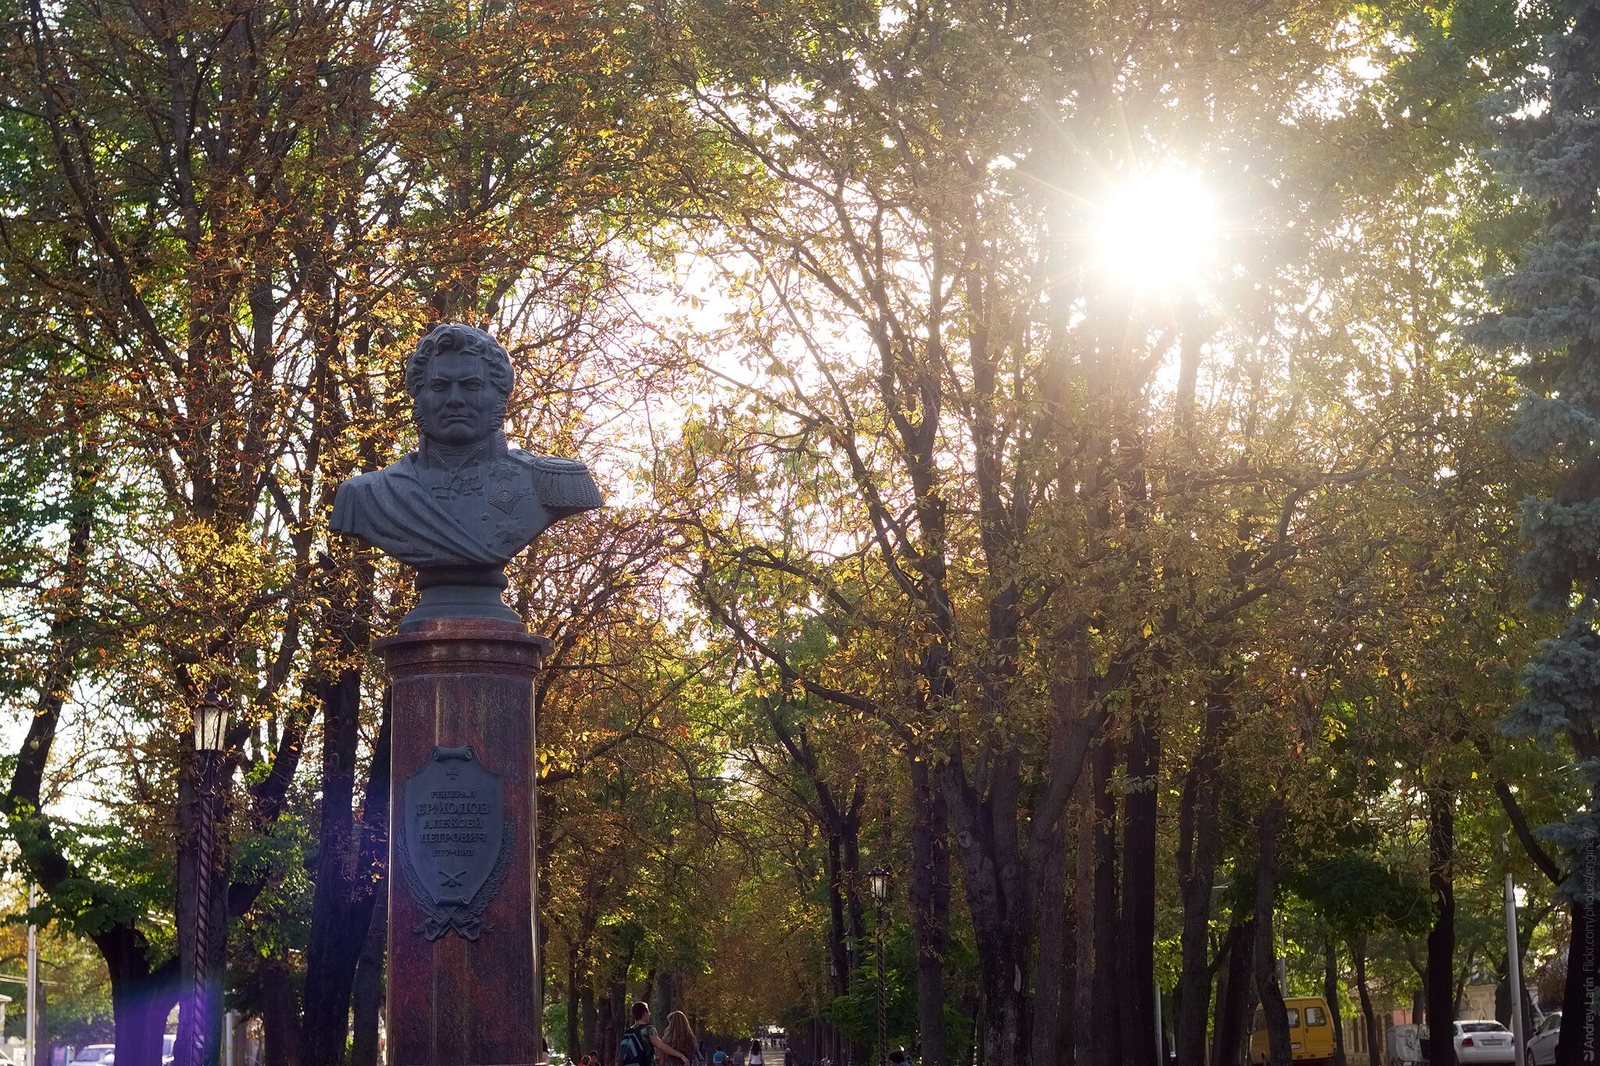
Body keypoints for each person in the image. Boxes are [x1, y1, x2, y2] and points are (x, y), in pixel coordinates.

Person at [332, 323, 602, 621]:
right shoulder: (367, 495)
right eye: (439, 386)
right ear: (417, 396)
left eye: (471, 385)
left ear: (499, 393)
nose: (455, 399)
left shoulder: (552, 483)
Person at [621, 1001, 690, 1066]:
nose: (649, 1014)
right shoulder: (649, 1029)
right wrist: (681, 1055)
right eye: (648, 1011)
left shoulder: (628, 1031)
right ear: (645, 1013)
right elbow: (660, 1046)